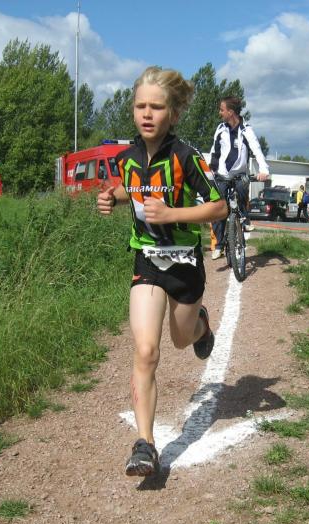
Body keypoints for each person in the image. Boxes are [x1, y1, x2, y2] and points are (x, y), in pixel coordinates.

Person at [97, 66, 227, 477]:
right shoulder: (127, 159)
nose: (147, 114)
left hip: (185, 264)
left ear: (173, 113)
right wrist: (113, 198)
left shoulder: (186, 157)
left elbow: (219, 207)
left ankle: (201, 326)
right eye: (141, 106)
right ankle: (145, 445)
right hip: (147, 261)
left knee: (179, 339)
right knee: (146, 351)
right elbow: (131, 188)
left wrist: (172, 213)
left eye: (156, 107)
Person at [209, 96, 270, 259]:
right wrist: (211, 171)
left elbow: (257, 150)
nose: (220, 113)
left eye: (222, 110)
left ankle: (244, 219)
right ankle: (219, 245)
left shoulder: (246, 130)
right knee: (218, 207)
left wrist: (263, 170)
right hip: (222, 174)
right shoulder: (220, 128)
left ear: (231, 112)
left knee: (242, 189)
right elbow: (214, 151)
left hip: (240, 174)